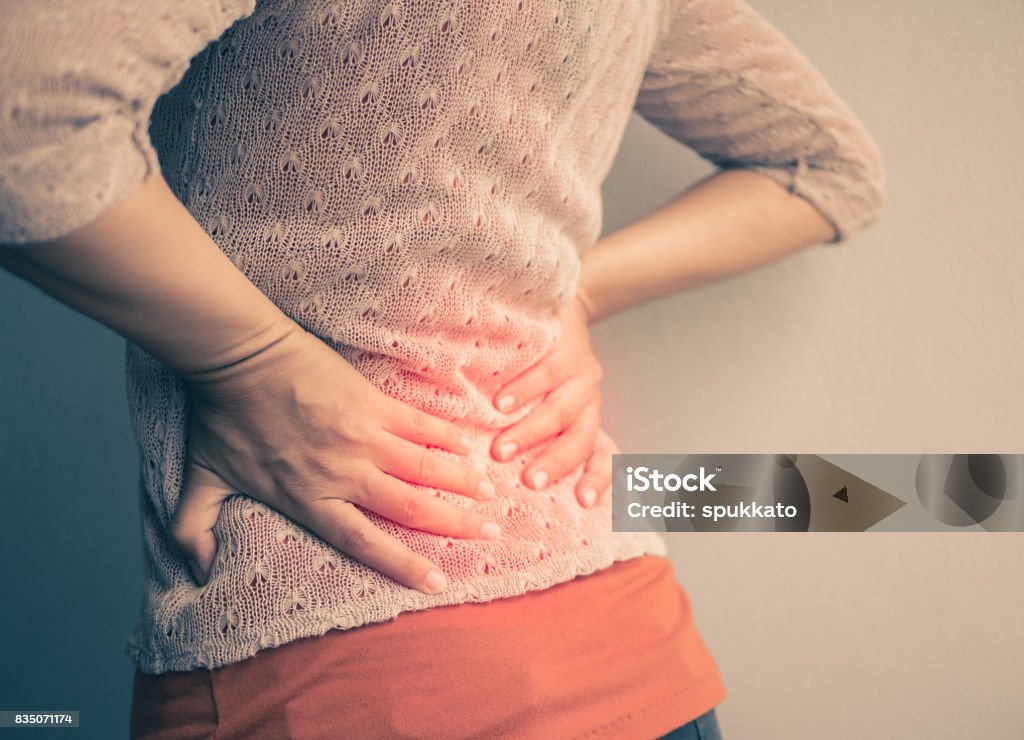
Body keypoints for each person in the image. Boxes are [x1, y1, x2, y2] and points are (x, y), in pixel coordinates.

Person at [0, 0, 884, 736]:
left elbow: (18, 121)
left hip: (338, 683)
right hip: (643, 664)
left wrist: (252, 361)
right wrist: (573, 294)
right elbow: (830, 169)